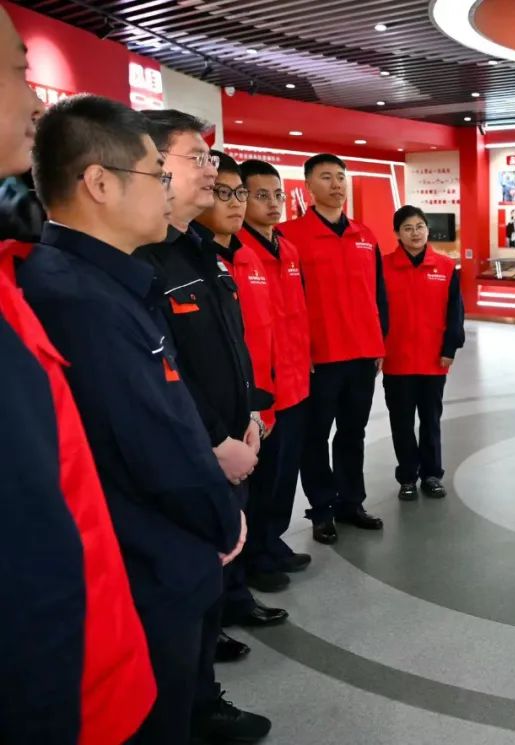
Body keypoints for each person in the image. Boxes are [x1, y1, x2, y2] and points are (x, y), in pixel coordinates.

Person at [15, 94, 247, 745]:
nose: (169, 189)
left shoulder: (109, 282)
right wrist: (222, 518)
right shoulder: (78, 299)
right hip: (143, 561)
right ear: (100, 183)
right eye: (157, 173)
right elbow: (151, 445)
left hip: (163, 551)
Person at [0, 22, 156, 743]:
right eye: (15, 70)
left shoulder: (20, 278)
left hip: (97, 668)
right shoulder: (70, 291)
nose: (35, 101)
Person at [135, 109, 275, 740]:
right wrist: (216, 441)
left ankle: (201, 698)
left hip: (230, 444)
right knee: (183, 598)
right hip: (195, 457)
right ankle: (189, 710)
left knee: (210, 585)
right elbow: (164, 374)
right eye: (197, 157)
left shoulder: (203, 253)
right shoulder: (143, 261)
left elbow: (227, 348)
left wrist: (249, 414)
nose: (212, 171)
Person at [278, 153, 388, 545]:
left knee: (353, 433)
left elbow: (378, 293)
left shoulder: (365, 235)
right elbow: (285, 301)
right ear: (308, 185)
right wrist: (298, 351)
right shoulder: (289, 236)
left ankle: (351, 502)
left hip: (362, 354)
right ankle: (322, 508)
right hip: (319, 358)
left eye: (340, 176)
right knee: (315, 436)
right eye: (326, 177)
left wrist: (380, 342)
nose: (336, 184)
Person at [237, 159, 313, 586]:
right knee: (262, 477)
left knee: (287, 471)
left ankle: (273, 540)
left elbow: (298, 314)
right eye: (261, 195)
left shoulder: (288, 249)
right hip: (264, 388)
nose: (273, 203)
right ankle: (254, 555)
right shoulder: (236, 252)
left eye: (278, 194)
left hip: (296, 380)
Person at [381, 205, 465, 500]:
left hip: (433, 360)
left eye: (419, 226)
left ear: (427, 229)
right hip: (396, 360)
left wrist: (450, 347)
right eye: (407, 228)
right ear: (397, 233)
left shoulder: (445, 267)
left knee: (431, 421)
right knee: (401, 423)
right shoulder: (383, 266)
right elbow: (375, 311)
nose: (414, 233)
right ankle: (407, 476)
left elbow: (455, 312)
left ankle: (432, 474)